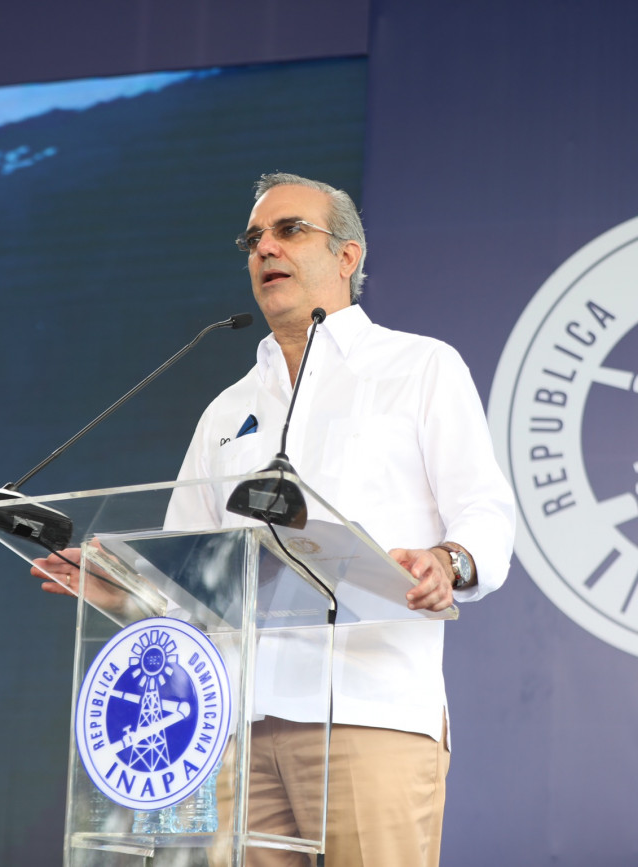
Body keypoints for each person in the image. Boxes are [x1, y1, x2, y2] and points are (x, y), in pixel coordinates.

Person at [37, 172, 515, 866]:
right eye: (253, 238)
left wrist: (449, 561)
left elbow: (485, 509)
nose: (265, 248)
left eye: (290, 230)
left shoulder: (419, 367)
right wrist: (129, 594)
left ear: (347, 256)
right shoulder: (228, 408)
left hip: (370, 710)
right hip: (236, 727)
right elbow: (192, 567)